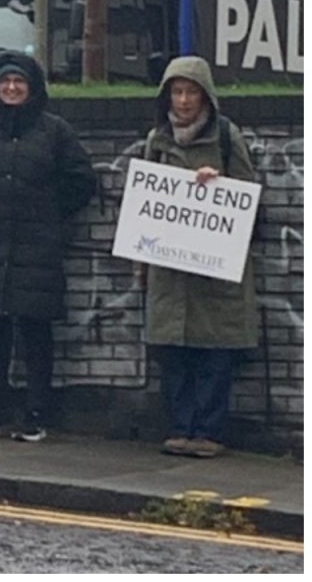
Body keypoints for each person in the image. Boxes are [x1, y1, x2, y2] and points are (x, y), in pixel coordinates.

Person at [0, 52, 96, 443]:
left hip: (37, 248)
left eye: (19, 82)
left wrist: (49, 211)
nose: (12, 88)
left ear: (32, 88)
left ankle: (36, 412)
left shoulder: (55, 131)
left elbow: (82, 181)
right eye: (4, 83)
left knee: (36, 336)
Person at [137, 56, 258, 459]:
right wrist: (142, 265)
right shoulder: (158, 139)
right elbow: (145, 207)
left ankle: (208, 430)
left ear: (206, 96)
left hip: (215, 272)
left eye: (191, 92)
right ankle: (179, 426)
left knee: (213, 354)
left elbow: (249, 197)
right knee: (174, 354)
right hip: (171, 271)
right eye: (177, 91)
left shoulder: (227, 137)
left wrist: (219, 185)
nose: (184, 100)